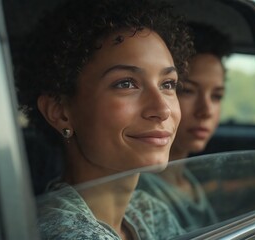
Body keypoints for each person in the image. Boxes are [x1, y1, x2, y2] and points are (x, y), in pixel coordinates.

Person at [13, 0, 193, 239]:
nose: (162, 109)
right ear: (60, 112)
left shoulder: (146, 209)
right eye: (126, 83)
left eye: (167, 84)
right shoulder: (64, 232)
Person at [138, 22, 232, 231]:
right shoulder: (139, 194)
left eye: (216, 96)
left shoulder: (191, 179)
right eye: (187, 90)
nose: (205, 110)